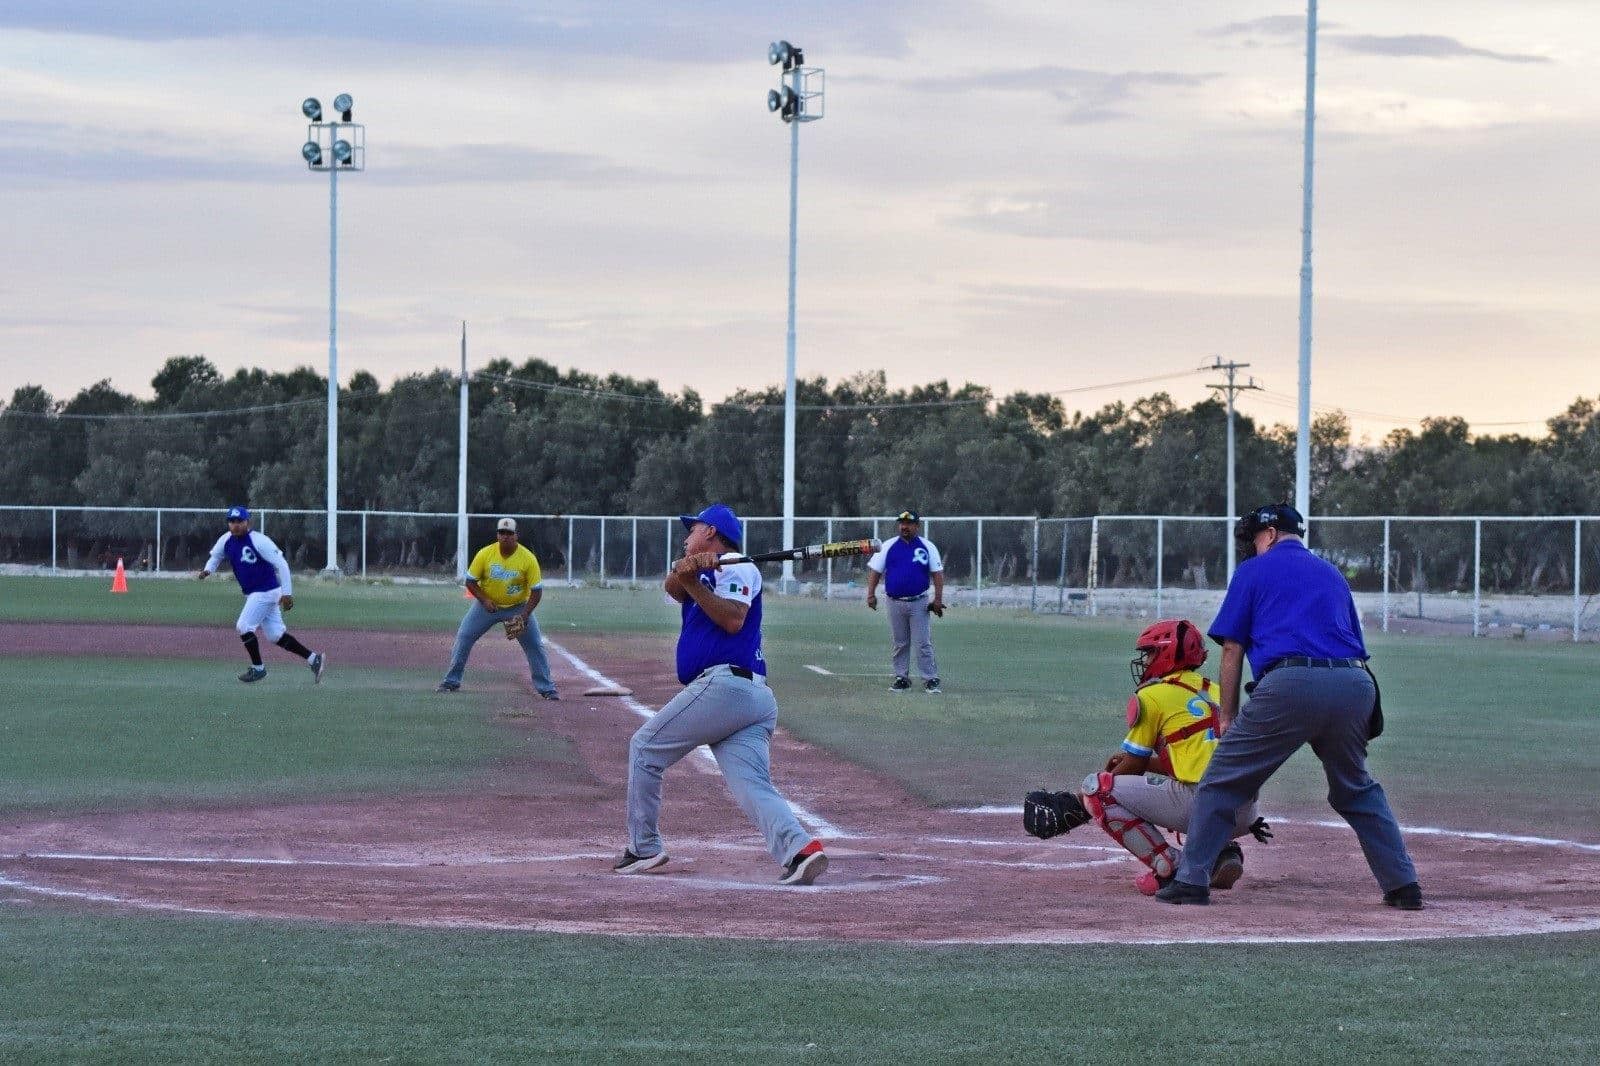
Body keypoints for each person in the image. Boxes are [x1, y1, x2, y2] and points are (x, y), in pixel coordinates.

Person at [1156, 502, 1423, 909]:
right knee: (1355, 789)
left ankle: (1192, 880)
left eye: (1256, 538)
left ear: (1272, 533)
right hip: (1354, 685)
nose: (1253, 547)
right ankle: (1403, 886)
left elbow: (1232, 648)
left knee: (1222, 782)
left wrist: (1226, 715)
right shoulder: (1331, 573)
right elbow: (1356, 648)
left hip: (1290, 685)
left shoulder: (1252, 572)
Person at [613, 502, 828, 887]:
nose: (685, 537)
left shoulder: (739, 565)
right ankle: (800, 849)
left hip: (727, 687)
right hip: (747, 698)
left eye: (692, 530)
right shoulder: (709, 567)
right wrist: (687, 571)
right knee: (750, 783)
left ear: (711, 531)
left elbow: (732, 620)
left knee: (645, 749)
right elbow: (673, 589)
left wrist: (695, 579)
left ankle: (644, 847)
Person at [1022, 619, 1269, 895]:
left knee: (1098, 790)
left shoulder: (1153, 695)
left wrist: (1080, 804)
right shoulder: (1218, 692)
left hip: (1205, 807)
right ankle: (1220, 853)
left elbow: (1133, 766)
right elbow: (1198, 758)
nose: (1146, 660)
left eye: (1151, 653)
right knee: (1194, 786)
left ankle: (1170, 868)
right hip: (1247, 810)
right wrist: (1153, 764)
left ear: (1167, 653)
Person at [195, 505, 325, 684]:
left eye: (239, 521)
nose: (235, 525)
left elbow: (282, 564)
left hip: (265, 591)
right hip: (255, 593)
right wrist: (208, 570)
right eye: (232, 521)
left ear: (248, 522)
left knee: (243, 626)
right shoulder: (226, 540)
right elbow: (216, 556)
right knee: (275, 635)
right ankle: (314, 659)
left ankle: (258, 669)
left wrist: (287, 593)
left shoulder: (259, 540)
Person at [437, 518, 558, 700]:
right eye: (502, 532)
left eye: (509, 533)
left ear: (516, 536)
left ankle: (547, 689)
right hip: (487, 607)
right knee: (464, 636)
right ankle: (451, 681)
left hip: (518, 607)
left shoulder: (527, 559)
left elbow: (536, 591)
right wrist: (484, 600)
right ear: (497, 535)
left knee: (534, 645)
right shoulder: (486, 554)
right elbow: (470, 581)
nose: (505, 536)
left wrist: (525, 615)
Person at [865, 510, 946, 693]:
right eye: (902, 523)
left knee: (923, 642)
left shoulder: (927, 546)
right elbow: (875, 571)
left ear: (917, 526)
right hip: (894, 601)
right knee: (900, 642)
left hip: (919, 602)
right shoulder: (888, 546)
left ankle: (930, 679)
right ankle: (901, 677)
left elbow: (937, 574)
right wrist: (871, 594)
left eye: (909, 524)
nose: (904, 527)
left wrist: (938, 599)